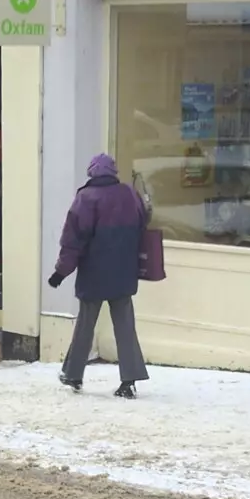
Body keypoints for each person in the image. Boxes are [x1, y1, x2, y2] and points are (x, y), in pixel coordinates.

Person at [49, 153, 150, 399]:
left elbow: (72, 242)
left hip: (94, 274)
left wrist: (60, 273)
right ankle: (129, 380)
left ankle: (73, 374)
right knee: (125, 326)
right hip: (124, 272)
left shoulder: (85, 198)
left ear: (91, 172)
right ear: (113, 172)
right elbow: (143, 221)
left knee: (85, 325)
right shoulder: (129, 194)